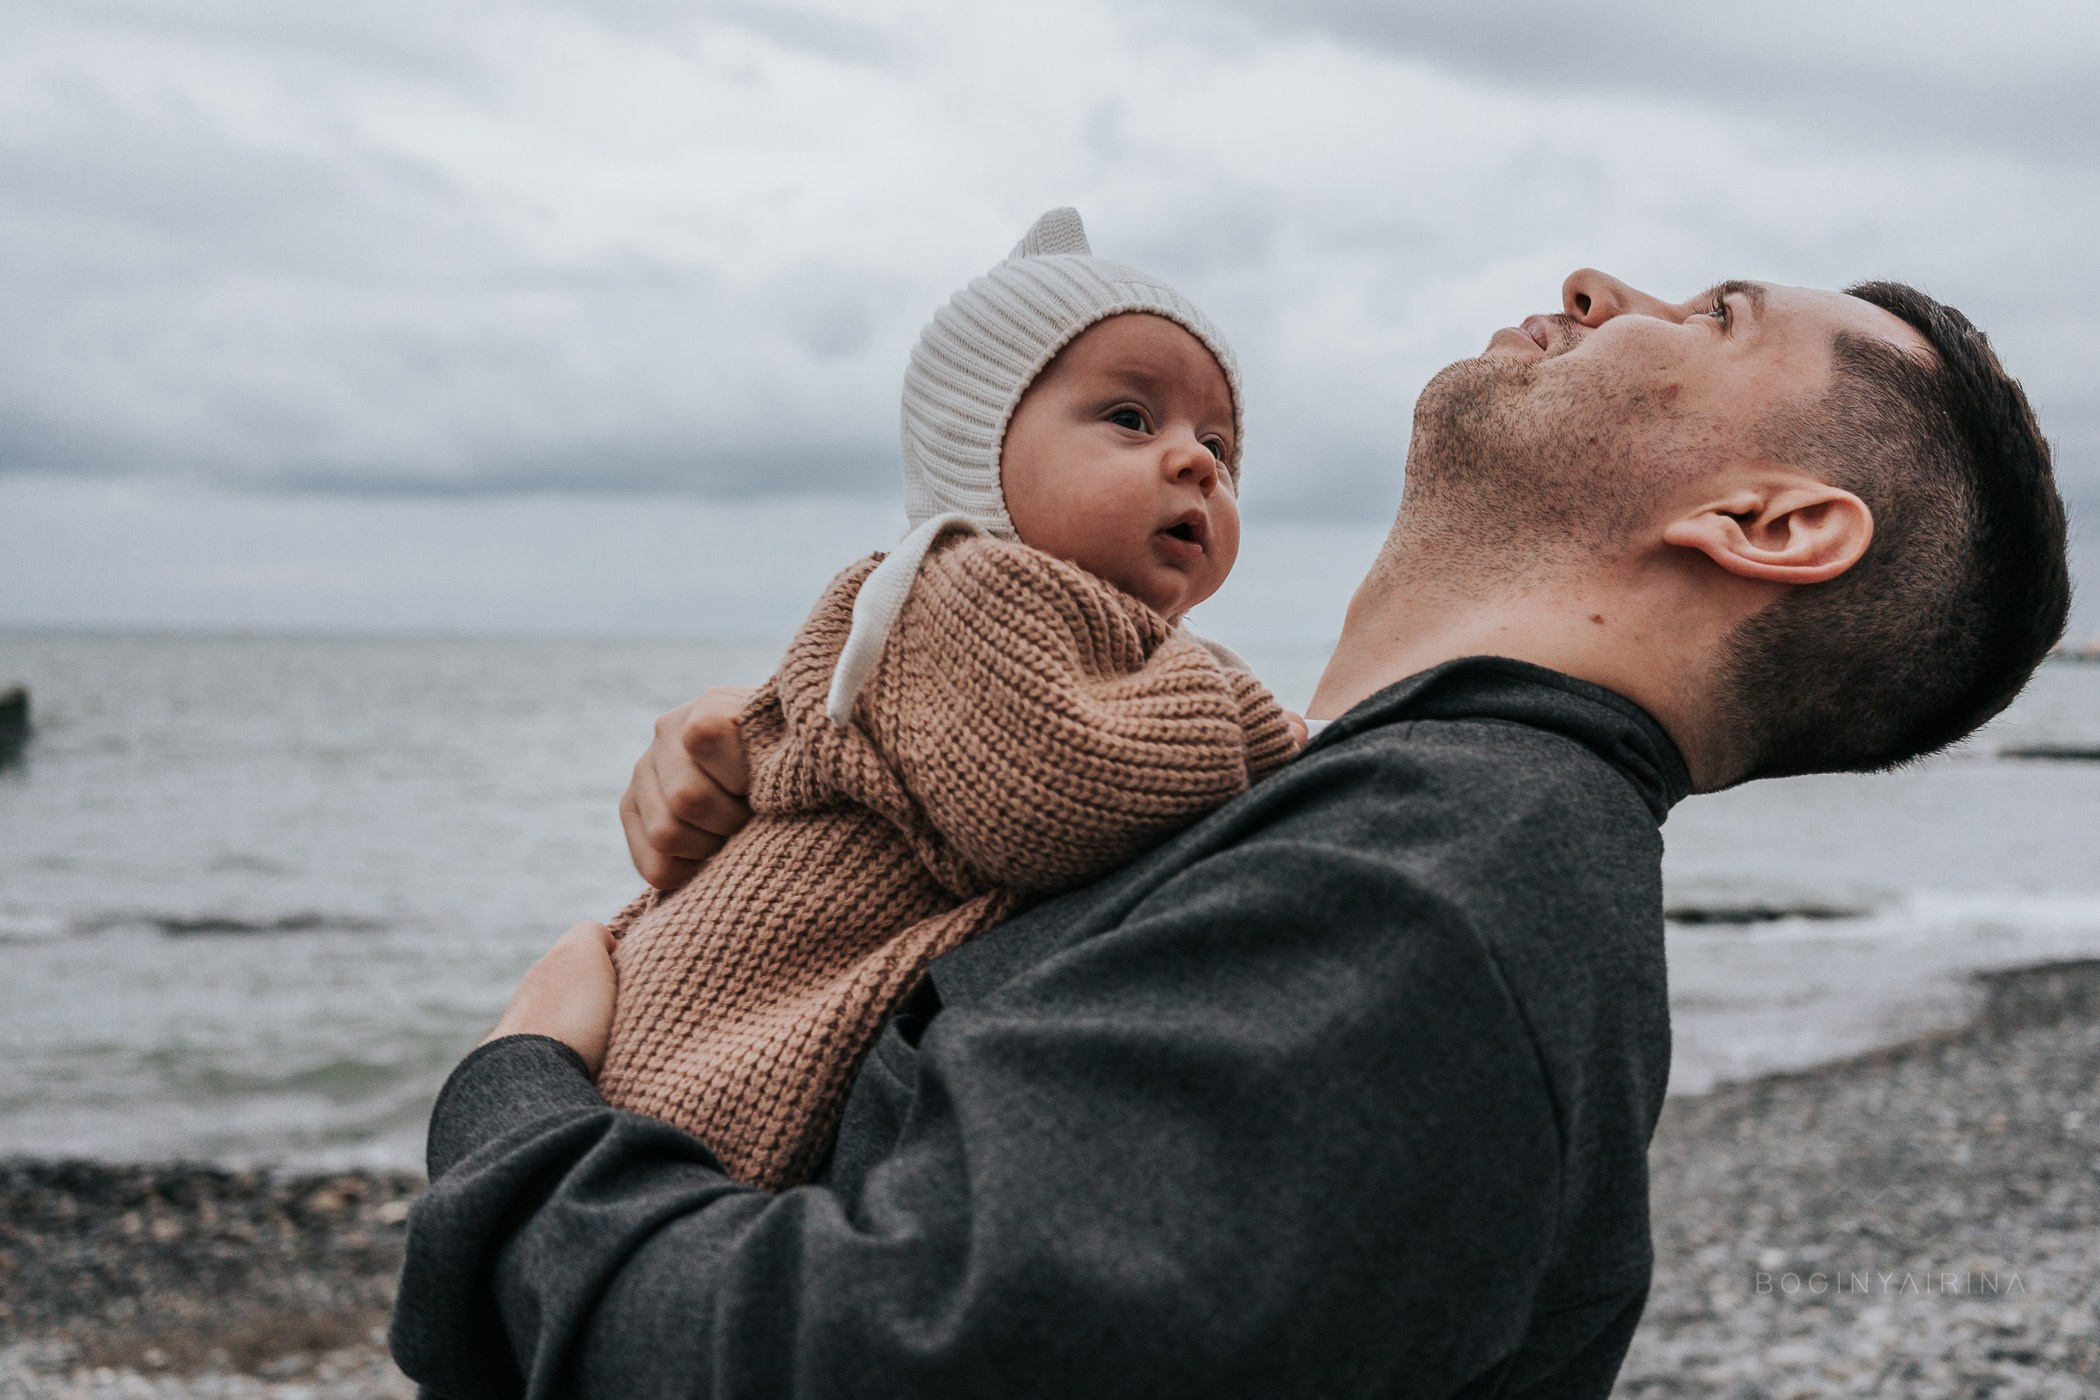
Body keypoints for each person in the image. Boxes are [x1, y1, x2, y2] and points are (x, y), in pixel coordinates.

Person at [391, 269, 2069, 1399]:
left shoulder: (1428, 897)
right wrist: (803, 757)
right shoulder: (1377, 840)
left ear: (1767, 522)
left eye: (1709, 313)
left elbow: (856, 1356)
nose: (1590, 290)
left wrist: (521, 1098)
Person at [596, 208, 1298, 1192]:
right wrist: (1281, 736)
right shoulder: (963, 585)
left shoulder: (1086, 640)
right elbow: (1062, 797)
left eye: (1218, 441)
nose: (1197, 461)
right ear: (981, 452)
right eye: (1131, 419)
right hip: (717, 1044)